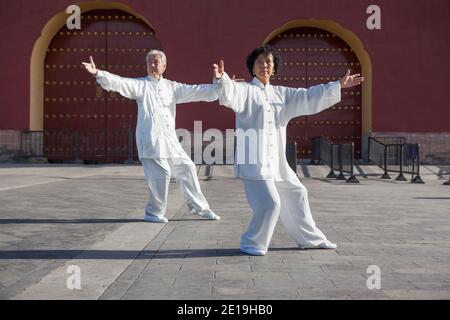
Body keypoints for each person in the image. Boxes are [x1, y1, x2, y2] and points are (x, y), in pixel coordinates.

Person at [213, 45, 363, 256]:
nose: (264, 65)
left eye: (268, 62)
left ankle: (309, 239)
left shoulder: (282, 94)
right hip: (253, 160)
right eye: (259, 62)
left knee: (298, 193)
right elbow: (230, 93)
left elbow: (309, 96)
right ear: (252, 67)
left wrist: (337, 85)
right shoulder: (245, 90)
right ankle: (252, 243)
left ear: (274, 68)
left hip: (277, 162)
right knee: (271, 204)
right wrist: (222, 80)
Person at [82, 50, 220, 223]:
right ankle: (154, 213)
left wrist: (220, 85)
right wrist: (98, 73)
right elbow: (119, 82)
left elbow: (197, 91)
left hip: (170, 141)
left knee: (188, 167)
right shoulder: (141, 86)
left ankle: (200, 208)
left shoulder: (173, 87)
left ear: (164, 66)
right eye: (149, 62)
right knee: (162, 174)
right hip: (151, 140)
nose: (152, 65)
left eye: (156, 62)